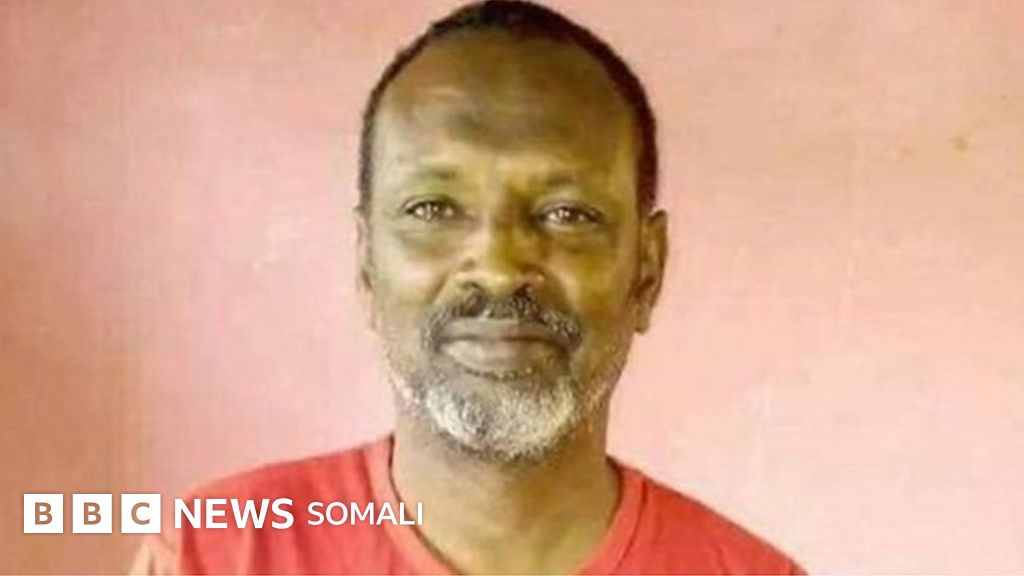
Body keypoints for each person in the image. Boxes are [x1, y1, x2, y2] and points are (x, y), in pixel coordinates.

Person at [132, 1, 802, 573]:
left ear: (647, 271)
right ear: (366, 264)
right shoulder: (215, 554)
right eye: (433, 208)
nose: (500, 267)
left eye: (568, 214)